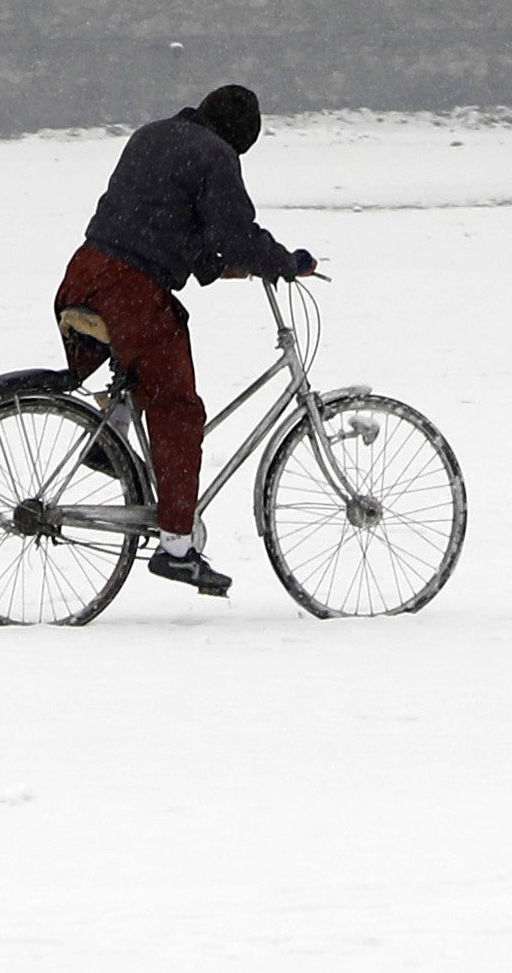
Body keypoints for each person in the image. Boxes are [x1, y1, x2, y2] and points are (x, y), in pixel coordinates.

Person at [52, 82, 316, 598]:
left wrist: (220, 267)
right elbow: (233, 231)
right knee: (178, 409)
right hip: (131, 290)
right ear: (239, 137)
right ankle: (176, 546)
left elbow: (176, 225)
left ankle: (110, 441)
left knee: (142, 367)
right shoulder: (216, 155)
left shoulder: (153, 135)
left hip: (86, 273)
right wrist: (283, 262)